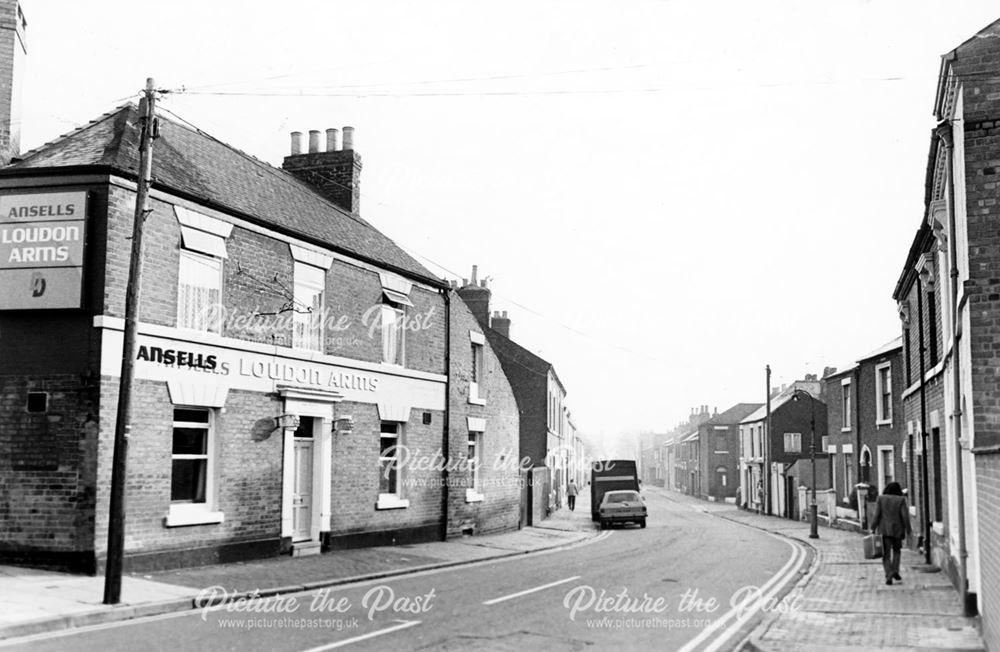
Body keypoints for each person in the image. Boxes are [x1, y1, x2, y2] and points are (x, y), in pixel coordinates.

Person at [869, 482, 912, 586]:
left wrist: (872, 527)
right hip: (897, 530)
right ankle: (895, 571)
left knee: (886, 555)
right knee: (897, 551)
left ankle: (889, 575)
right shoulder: (901, 500)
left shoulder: (881, 499)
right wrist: (908, 530)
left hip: (884, 531)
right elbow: (905, 516)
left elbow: (876, 515)